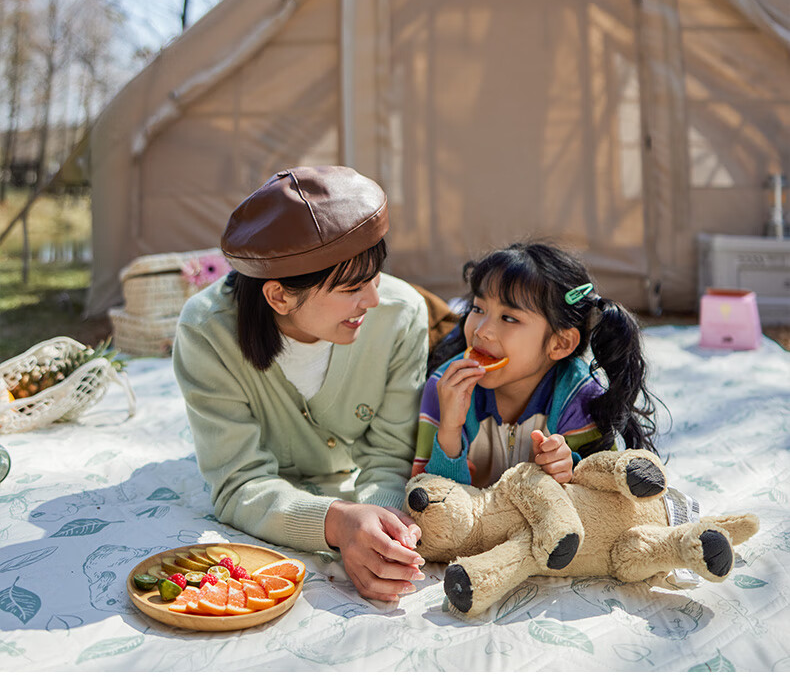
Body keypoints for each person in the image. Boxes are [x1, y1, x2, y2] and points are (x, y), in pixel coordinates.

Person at [173, 165, 430, 604]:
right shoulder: (206, 332)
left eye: (375, 276)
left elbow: (389, 455)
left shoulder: (402, 315)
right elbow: (238, 483)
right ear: (279, 296)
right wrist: (338, 523)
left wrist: (384, 525)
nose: (373, 300)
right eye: (351, 288)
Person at [412, 241, 660, 488]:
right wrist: (450, 429)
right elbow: (429, 497)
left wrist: (570, 470)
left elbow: (602, 493)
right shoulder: (445, 387)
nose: (481, 330)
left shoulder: (579, 396)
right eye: (478, 308)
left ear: (560, 343)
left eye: (509, 318)